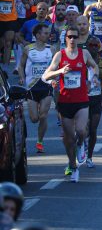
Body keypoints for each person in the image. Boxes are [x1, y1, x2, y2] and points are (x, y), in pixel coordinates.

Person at [42, 25, 99, 182]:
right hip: (64, 101)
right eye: (70, 37)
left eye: (75, 36)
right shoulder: (59, 56)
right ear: (65, 39)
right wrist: (59, 72)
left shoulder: (84, 53)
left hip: (81, 100)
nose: (73, 39)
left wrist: (92, 79)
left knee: (81, 130)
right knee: (68, 138)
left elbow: (95, 68)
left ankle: (82, 144)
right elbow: (46, 75)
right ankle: (73, 166)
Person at [18, 24, 53, 153]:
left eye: (48, 33)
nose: (47, 35)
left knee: (43, 115)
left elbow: (56, 65)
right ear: (37, 35)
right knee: (34, 119)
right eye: (44, 33)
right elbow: (21, 66)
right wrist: (21, 77)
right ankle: (39, 133)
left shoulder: (52, 49)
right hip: (32, 86)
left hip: (46, 85)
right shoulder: (28, 49)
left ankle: (40, 141)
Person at [85, 36, 102, 167]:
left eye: (96, 45)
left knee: (93, 129)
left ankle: (89, 157)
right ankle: (81, 145)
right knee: (83, 129)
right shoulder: (82, 61)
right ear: (87, 46)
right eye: (91, 45)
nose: (94, 48)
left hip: (96, 99)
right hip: (83, 99)